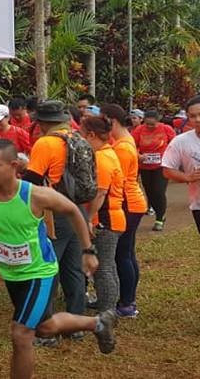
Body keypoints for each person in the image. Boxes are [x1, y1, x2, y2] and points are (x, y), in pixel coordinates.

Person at [0, 139, 118, 379]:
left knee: (21, 333)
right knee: (44, 328)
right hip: (11, 273)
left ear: (13, 165)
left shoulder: (35, 195)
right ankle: (97, 323)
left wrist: (88, 250)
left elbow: (74, 211)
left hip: (39, 272)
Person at [22, 100, 88, 325]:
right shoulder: (76, 138)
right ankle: (76, 323)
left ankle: (47, 325)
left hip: (54, 213)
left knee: (46, 270)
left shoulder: (45, 143)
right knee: (74, 269)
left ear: (41, 122)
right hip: (77, 210)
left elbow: (31, 180)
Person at [101, 104, 147, 318]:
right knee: (127, 253)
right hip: (132, 202)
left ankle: (127, 303)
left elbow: (114, 179)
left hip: (128, 203)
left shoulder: (122, 147)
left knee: (122, 254)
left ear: (112, 120)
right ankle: (128, 300)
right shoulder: (123, 142)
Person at [80, 116, 126, 324]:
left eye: (83, 134)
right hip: (111, 217)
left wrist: (88, 219)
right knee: (107, 265)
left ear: (91, 135)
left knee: (103, 267)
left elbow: (100, 193)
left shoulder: (103, 158)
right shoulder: (107, 153)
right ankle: (108, 307)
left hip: (106, 219)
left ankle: (107, 312)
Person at [162, 95, 200, 234]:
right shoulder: (181, 142)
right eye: (193, 116)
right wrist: (188, 177)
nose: (197, 119)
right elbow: (167, 170)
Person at [133, 110, 176, 231]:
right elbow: (132, 145)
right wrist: (139, 156)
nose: (150, 127)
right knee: (150, 192)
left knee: (158, 191)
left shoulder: (166, 129)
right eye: (147, 124)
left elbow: (175, 145)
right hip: (145, 166)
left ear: (159, 121)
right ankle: (158, 213)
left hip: (162, 166)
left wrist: (170, 157)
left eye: (153, 124)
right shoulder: (139, 130)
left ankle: (160, 218)